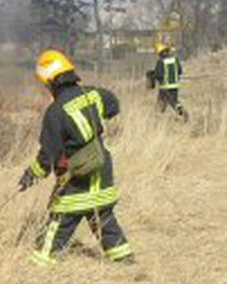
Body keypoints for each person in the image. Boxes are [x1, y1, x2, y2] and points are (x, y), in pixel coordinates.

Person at [18, 49, 134, 266]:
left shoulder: (55, 111)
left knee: (59, 224)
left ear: (50, 81)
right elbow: (114, 106)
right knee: (104, 220)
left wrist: (31, 175)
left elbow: (47, 157)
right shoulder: (95, 94)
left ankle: (38, 265)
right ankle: (124, 260)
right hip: (102, 168)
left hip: (77, 177)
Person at [151, 42, 188, 120]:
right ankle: (179, 110)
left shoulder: (161, 62)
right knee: (173, 101)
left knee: (163, 103)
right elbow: (179, 71)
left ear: (160, 53)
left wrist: (153, 76)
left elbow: (158, 75)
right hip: (175, 86)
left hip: (165, 87)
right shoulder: (175, 59)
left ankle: (157, 119)